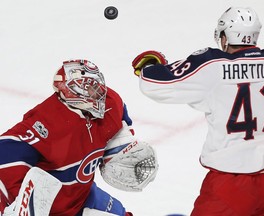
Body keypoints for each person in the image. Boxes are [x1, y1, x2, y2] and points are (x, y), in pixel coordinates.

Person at [132, 7, 264, 216]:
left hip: (229, 187)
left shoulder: (212, 64)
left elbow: (153, 84)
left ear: (225, 37)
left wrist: (150, 66)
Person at [0, 59, 158, 215]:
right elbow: (5, 156)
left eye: (96, 85)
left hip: (83, 198)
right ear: (68, 91)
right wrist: (11, 205)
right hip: (51, 210)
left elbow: (119, 126)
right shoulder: (48, 122)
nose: (97, 93)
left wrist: (124, 147)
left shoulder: (111, 103)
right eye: (87, 87)